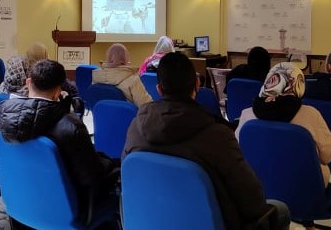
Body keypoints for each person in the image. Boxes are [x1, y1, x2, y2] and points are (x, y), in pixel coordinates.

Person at [123, 52, 290, 230]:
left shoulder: (136, 128)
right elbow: (252, 202)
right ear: (197, 84)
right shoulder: (218, 135)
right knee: (280, 209)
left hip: (151, 221)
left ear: (159, 89)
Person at [0, 59, 120, 229]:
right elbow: (92, 178)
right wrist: (112, 166)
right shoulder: (70, 126)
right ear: (59, 91)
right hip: (67, 212)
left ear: (28, 82)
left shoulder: (0, 122)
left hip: (21, 205)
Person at [236, 62, 331, 185]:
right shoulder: (311, 115)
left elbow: (238, 153)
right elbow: (327, 156)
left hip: (258, 186)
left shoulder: (247, 115)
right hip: (305, 188)